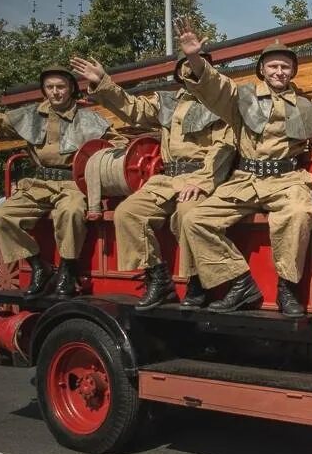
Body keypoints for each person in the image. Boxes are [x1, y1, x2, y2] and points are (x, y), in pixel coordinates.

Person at [176, 21, 312, 316]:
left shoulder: (307, 108)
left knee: (299, 213)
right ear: (262, 70)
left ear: (292, 71)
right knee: (195, 220)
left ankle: (287, 289)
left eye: (285, 67)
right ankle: (239, 282)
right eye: (273, 66)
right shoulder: (242, 98)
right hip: (245, 179)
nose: (279, 72)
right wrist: (194, 57)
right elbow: (215, 87)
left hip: (286, 179)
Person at [70, 53, 237, 310]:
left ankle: (197, 281)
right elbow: (133, 109)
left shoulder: (220, 104)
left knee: (188, 213)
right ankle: (158, 279)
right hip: (166, 178)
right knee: (128, 212)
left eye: (196, 65)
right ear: (179, 73)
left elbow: (224, 146)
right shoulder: (168, 102)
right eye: (185, 66)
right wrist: (103, 81)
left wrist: (203, 181)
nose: (190, 70)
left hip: (199, 176)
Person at [0, 67, 124, 297]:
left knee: (70, 211)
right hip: (37, 184)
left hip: (72, 184)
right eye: (50, 87)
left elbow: (116, 143)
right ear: (44, 90)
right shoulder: (30, 115)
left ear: (71, 89)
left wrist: (108, 159)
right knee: (1, 216)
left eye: (61, 87)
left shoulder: (89, 118)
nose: (55, 92)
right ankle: (39, 265)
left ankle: (68, 269)